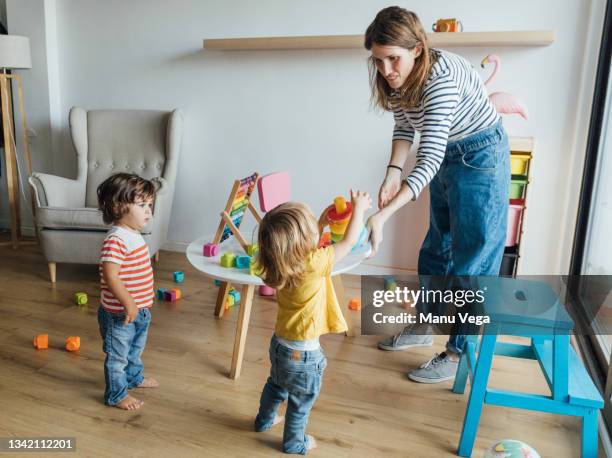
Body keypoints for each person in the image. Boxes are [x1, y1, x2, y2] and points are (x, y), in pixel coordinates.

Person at [364, 7, 510, 383]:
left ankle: (459, 351)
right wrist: (391, 174)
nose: (386, 70)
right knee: (436, 249)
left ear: (417, 49)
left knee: (471, 263)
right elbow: (403, 126)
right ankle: (424, 325)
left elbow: (428, 159)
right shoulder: (395, 78)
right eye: (378, 61)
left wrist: (381, 216)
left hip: (480, 156)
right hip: (449, 154)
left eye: (393, 59)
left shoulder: (440, 78)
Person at [254, 191, 372, 454]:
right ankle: (295, 443)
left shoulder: (281, 263)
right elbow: (350, 241)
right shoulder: (314, 262)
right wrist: (360, 210)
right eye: (311, 230)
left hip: (279, 346)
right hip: (304, 356)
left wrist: (321, 221)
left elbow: (306, 242)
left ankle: (264, 420)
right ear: (303, 243)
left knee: (276, 385)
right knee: (301, 400)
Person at [97, 173, 159, 410]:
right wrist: (129, 303)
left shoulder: (132, 234)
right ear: (117, 206)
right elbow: (110, 276)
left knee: (135, 350)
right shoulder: (116, 239)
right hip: (120, 314)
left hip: (139, 311)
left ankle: (133, 378)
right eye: (142, 205)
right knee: (117, 357)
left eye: (149, 205)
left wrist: (140, 303)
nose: (148, 211)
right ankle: (116, 394)